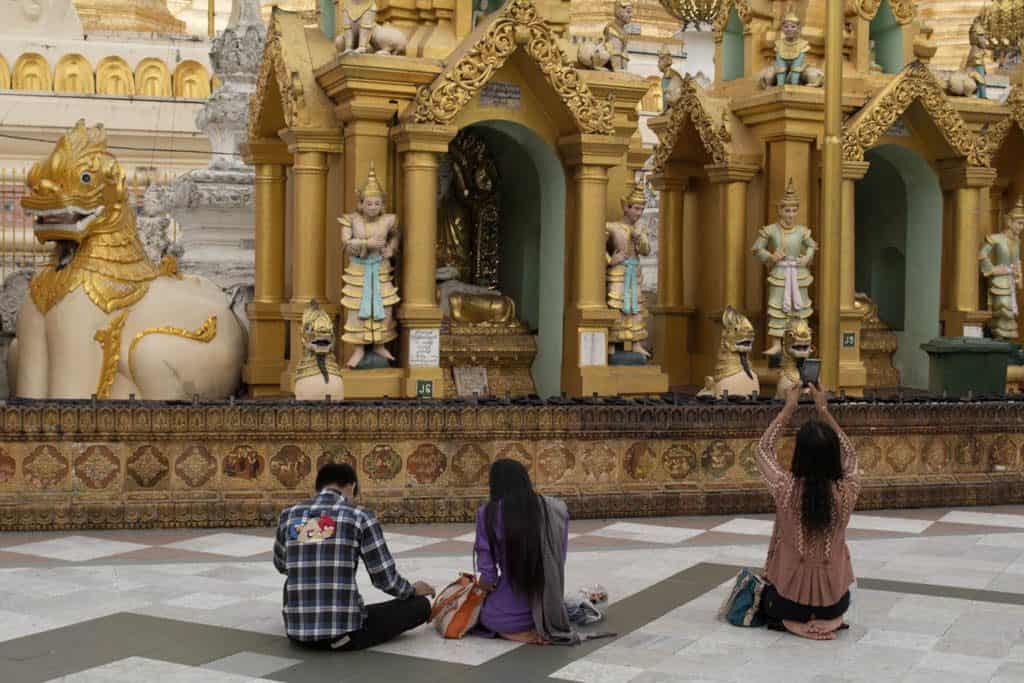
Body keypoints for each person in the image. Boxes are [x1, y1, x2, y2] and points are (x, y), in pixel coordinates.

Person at [273, 463, 435, 650]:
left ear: (319, 487)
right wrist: (412, 590)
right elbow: (384, 579)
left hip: (296, 634)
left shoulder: (289, 514)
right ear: (352, 486)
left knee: (297, 583)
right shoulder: (359, 516)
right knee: (420, 606)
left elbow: (282, 565)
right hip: (342, 636)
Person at [755, 383, 860, 640]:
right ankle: (832, 620)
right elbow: (851, 455)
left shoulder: (785, 487)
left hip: (788, 603)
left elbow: (762, 450)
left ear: (798, 454)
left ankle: (794, 624)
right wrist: (824, 410)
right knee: (845, 594)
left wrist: (788, 408)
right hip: (834, 602)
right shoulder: (848, 490)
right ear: (834, 455)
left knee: (766, 596)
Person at [473, 459, 577, 644]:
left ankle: (514, 634)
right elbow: (559, 557)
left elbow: (488, 577)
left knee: (482, 614)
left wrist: (480, 587)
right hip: (548, 609)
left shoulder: (488, 513)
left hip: (508, 615)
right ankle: (533, 630)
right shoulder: (554, 509)